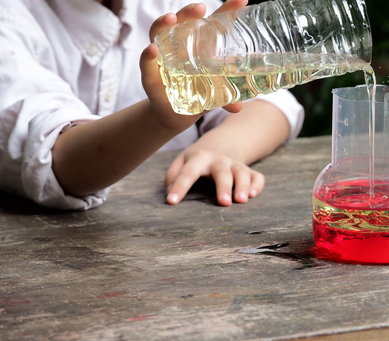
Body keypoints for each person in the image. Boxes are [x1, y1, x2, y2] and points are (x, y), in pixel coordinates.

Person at [0, 0, 304, 210]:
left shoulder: (172, 7)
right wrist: (161, 119)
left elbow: (268, 101)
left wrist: (221, 148)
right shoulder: (12, 19)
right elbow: (56, 162)